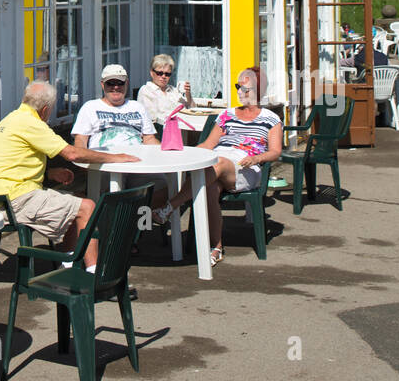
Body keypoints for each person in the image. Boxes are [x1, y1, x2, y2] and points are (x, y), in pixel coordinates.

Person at [0, 81, 140, 268]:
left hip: (2, 196)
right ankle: (93, 275)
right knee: (87, 207)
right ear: (45, 109)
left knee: (79, 199)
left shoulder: (12, 118)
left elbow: (10, 163)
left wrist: (49, 173)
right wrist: (115, 157)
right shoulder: (31, 123)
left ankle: (68, 263)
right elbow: (72, 154)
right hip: (13, 200)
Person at [152, 68, 282, 267]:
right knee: (211, 187)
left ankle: (170, 207)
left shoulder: (270, 119)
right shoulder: (227, 114)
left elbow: (275, 152)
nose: (240, 92)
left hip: (246, 167)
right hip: (219, 162)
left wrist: (257, 159)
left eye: (245, 88)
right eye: (238, 87)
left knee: (217, 163)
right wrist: (188, 154)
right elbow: (208, 145)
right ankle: (217, 247)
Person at [72, 63, 158, 152]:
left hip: (135, 161)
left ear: (127, 83)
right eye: (110, 83)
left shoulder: (138, 107)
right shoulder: (90, 107)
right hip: (103, 162)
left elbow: (149, 139)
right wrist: (83, 158)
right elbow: (81, 140)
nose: (116, 87)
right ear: (102, 84)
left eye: (120, 83)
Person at [137, 53, 196, 127]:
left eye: (167, 74)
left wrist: (188, 95)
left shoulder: (173, 90)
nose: (163, 76)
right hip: (159, 132)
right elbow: (152, 118)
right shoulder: (146, 90)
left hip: (180, 128)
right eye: (160, 73)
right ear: (152, 73)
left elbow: (193, 110)